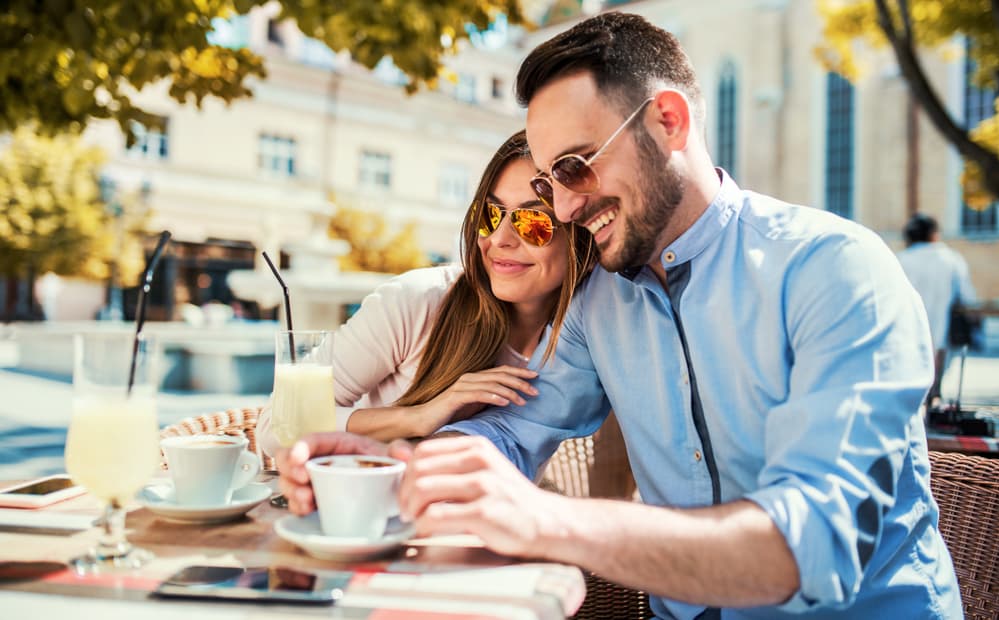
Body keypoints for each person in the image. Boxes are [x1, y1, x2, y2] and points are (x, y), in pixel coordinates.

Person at [278, 12, 960, 619]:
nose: (566, 209)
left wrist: (547, 520)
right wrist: (391, 469)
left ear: (669, 121)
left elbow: (815, 549)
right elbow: (514, 432)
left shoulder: (836, 270)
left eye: (575, 168)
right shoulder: (600, 304)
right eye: (549, 183)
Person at [257, 130, 598, 454]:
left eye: (533, 223)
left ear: (579, 235)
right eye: (490, 215)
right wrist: (419, 417)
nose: (498, 239)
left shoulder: (584, 343)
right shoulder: (417, 302)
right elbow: (276, 424)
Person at [896, 212, 978, 406]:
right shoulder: (950, 259)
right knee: (934, 383)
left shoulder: (901, 259)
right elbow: (967, 296)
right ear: (934, 234)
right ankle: (933, 401)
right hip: (941, 334)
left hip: (905, 333)